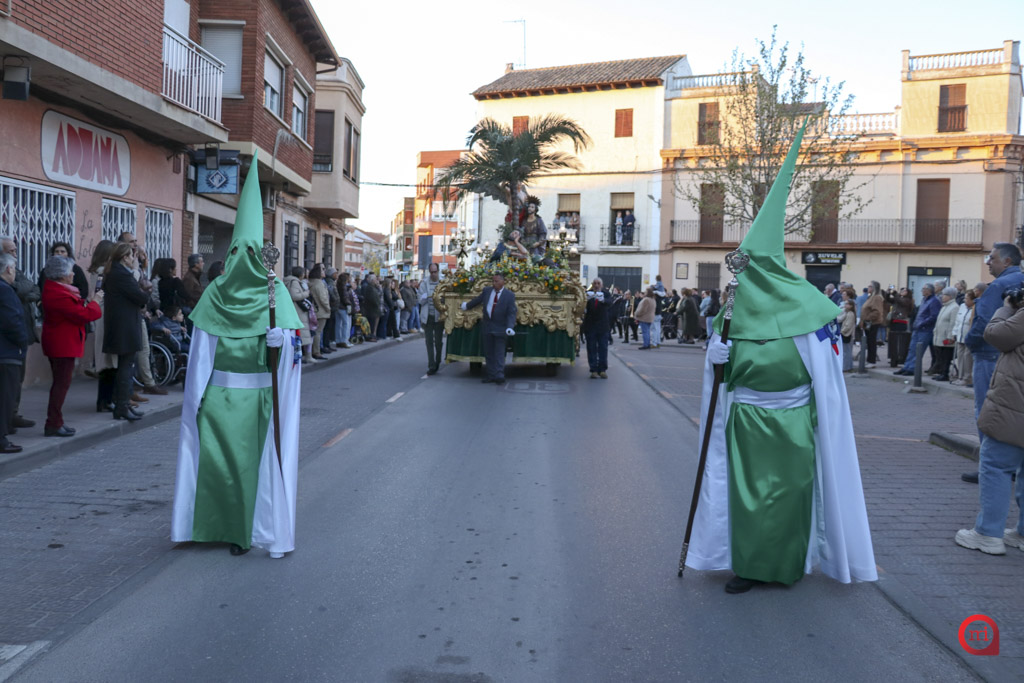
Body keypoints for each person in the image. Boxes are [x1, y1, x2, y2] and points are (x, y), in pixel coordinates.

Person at [687, 127, 875, 592]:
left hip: (794, 420)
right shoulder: (732, 312)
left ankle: (786, 565)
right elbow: (720, 373)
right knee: (747, 496)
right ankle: (748, 567)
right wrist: (714, 356)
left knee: (790, 495)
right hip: (746, 421)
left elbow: (827, 372)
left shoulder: (809, 309)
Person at [172, 152, 303, 559]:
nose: (243, 258)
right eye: (239, 250)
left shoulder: (274, 294)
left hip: (255, 400)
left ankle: (244, 531)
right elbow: (201, 353)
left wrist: (283, 342)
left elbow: (292, 353)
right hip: (222, 397)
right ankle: (214, 526)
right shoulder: (220, 293)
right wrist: (196, 399)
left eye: (250, 251)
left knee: (243, 467)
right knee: (219, 464)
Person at [955, 285, 1024, 555]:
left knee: (996, 464)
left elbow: (995, 335)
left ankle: (988, 533)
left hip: (1015, 405)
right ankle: (1021, 533)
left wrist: (1007, 307)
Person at [40, 255, 103, 437]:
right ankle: (53, 422)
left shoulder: (58, 290)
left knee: (61, 383)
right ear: (62, 275)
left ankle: (57, 420)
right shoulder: (58, 294)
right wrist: (95, 302)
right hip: (62, 343)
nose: (73, 275)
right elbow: (83, 315)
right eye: (70, 272)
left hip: (62, 341)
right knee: (61, 385)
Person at [102, 242, 150, 421]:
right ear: (124, 257)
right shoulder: (121, 274)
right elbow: (140, 296)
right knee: (125, 367)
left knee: (125, 366)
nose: (133, 259)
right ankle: (122, 406)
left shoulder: (115, 272)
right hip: (125, 326)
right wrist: (145, 290)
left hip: (122, 325)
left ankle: (123, 405)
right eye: (131, 255)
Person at [0, 235, 40, 431]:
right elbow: (20, 290)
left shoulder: (18, 272)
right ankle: (5, 421)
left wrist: (25, 291)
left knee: (17, 379)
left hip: (20, 335)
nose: (15, 254)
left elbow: (35, 289)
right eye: (11, 251)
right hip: (10, 342)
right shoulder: (4, 281)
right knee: (7, 383)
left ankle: (12, 414)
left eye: (15, 250)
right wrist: (24, 291)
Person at [461, 272, 517, 384]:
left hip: (501, 327)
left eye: (496, 281)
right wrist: (466, 305)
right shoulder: (487, 291)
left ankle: (499, 375)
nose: (494, 283)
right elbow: (478, 300)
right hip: (487, 326)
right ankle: (491, 374)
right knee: (489, 352)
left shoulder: (509, 295)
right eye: (493, 281)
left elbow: (511, 313)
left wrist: (510, 327)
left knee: (499, 352)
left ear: (502, 282)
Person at [0, 252, 28, 454]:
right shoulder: (5, 290)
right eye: (14, 269)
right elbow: (13, 321)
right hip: (7, 352)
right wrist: (22, 343)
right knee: (5, 399)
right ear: (9, 269)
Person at [86, 240, 118, 411]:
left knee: (107, 362)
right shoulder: (101, 272)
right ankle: (105, 400)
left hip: (102, 316)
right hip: (105, 317)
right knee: (108, 362)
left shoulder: (98, 272)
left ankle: (104, 400)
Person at [894, 283, 939, 376]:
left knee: (919, 350)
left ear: (929, 291)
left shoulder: (934, 301)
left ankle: (912, 368)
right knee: (912, 349)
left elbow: (933, 316)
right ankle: (907, 366)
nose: (922, 290)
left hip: (926, 330)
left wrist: (922, 323)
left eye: (924, 289)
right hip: (917, 328)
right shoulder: (924, 300)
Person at [284, 266, 314, 362]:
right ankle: (304, 356)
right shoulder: (295, 282)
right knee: (302, 334)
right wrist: (306, 293)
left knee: (299, 334)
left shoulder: (288, 281)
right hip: (298, 311)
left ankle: (301, 356)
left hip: (294, 310)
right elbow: (295, 296)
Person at [418, 263, 444, 374]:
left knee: (438, 342)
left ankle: (437, 360)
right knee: (429, 341)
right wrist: (424, 297)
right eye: (431, 272)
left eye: (435, 272)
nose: (433, 274)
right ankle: (431, 365)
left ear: (438, 271)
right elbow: (420, 300)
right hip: (428, 316)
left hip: (439, 317)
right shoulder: (424, 283)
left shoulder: (443, 282)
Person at [582, 278, 611, 378]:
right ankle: (593, 369)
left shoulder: (606, 293)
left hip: (603, 325)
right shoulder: (588, 293)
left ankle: (602, 369)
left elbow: (610, 302)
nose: (596, 285)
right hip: (590, 325)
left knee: (603, 348)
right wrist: (586, 301)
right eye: (594, 283)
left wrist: (603, 300)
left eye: (598, 283)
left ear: (601, 285)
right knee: (591, 348)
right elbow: (582, 306)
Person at [931, 286, 959, 381]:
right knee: (941, 357)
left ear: (950, 296)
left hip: (946, 337)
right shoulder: (944, 306)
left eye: (944, 295)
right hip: (939, 336)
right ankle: (941, 372)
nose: (942, 296)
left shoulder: (954, 307)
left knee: (946, 357)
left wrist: (950, 336)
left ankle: (945, 374)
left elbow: (953, 323)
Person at [951, 289, 977, 386]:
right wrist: (954, 333)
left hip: (968, 337)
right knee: (960, 357)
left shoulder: (975, 308)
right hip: (960, 336)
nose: (964, 300)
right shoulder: (962, 306)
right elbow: (957, 321)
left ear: (972, 300)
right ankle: (960, 377)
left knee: (967, 358)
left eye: (966, 298)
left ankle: (967, 378)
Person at [859, 281, 885, 366]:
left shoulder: (877, 298)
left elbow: (877, 311)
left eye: (870, 286)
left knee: (871, 342)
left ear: (874, 288)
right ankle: (869, 360)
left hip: (873, 323)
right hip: (868, 323)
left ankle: (871, 361)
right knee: (869, 342)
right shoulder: (870, 297)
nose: (868, 288)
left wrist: (867, 318)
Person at [308, 264, 330, 357]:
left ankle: (313, 351)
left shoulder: (311, 282)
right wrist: (328, 308)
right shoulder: (319, 284)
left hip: (314, 310)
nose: (324, 271)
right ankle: (316, 351)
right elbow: (323, 298)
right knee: (318, 332)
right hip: (320, 310)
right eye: (323, 269)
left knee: (314, 332)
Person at [362, 273, 382, 342]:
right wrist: (377, 303)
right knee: (371, 323)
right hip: (371, 309)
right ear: (372, 280)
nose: (376, 281)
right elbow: (373, 299)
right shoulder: (369, 288)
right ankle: (370, 337)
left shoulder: (373, 287)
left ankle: (373, 335)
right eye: (375, 279)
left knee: (373, 324)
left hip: (374, 309)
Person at [336, 272, 354, 348]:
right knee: (346, 324)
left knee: (338, 324)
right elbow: (345, 297)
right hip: (343, 307)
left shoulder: (338, 285)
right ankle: (344, 340)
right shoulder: (344, 287)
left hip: (338, 307)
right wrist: (349, 304)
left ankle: (338, 340)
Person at [838, 301, 856, 372]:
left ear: (851, 306)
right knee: (846, 351)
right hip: (846, 334)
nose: (845, 305)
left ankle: (846, 367)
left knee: (846, 352)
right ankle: (847, 366)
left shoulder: (850, 314)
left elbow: (848, 326)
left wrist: (842, 331)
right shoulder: (847, 313)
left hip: (847, 334)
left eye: (847, 304)